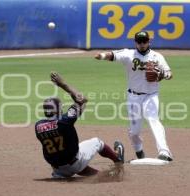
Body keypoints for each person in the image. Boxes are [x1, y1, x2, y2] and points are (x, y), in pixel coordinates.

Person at [95, 31, 173, 161]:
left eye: (145, 41)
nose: (142, 44)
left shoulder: (157, 56)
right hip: (133, 97)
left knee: (153, 120)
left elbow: (169, 73)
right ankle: (139, 152)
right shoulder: (129, 54)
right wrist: (102, 55)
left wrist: (162, 75)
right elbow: (113, 55)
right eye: (139, 41)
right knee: (134, 132)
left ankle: (165, 152)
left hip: (151, 95)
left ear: (149, 41)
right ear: (135, 42)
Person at [35, 72, 124, 178]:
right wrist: (63, 85)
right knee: (97, 142)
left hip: (59, 171)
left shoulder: (38, 126)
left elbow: (79, 107)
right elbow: (82, 100)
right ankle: (118, 161)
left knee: (68, 156)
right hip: (75, 163)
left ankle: (103, 175)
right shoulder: (65, 121)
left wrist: (80, 107)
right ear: (59, 109)